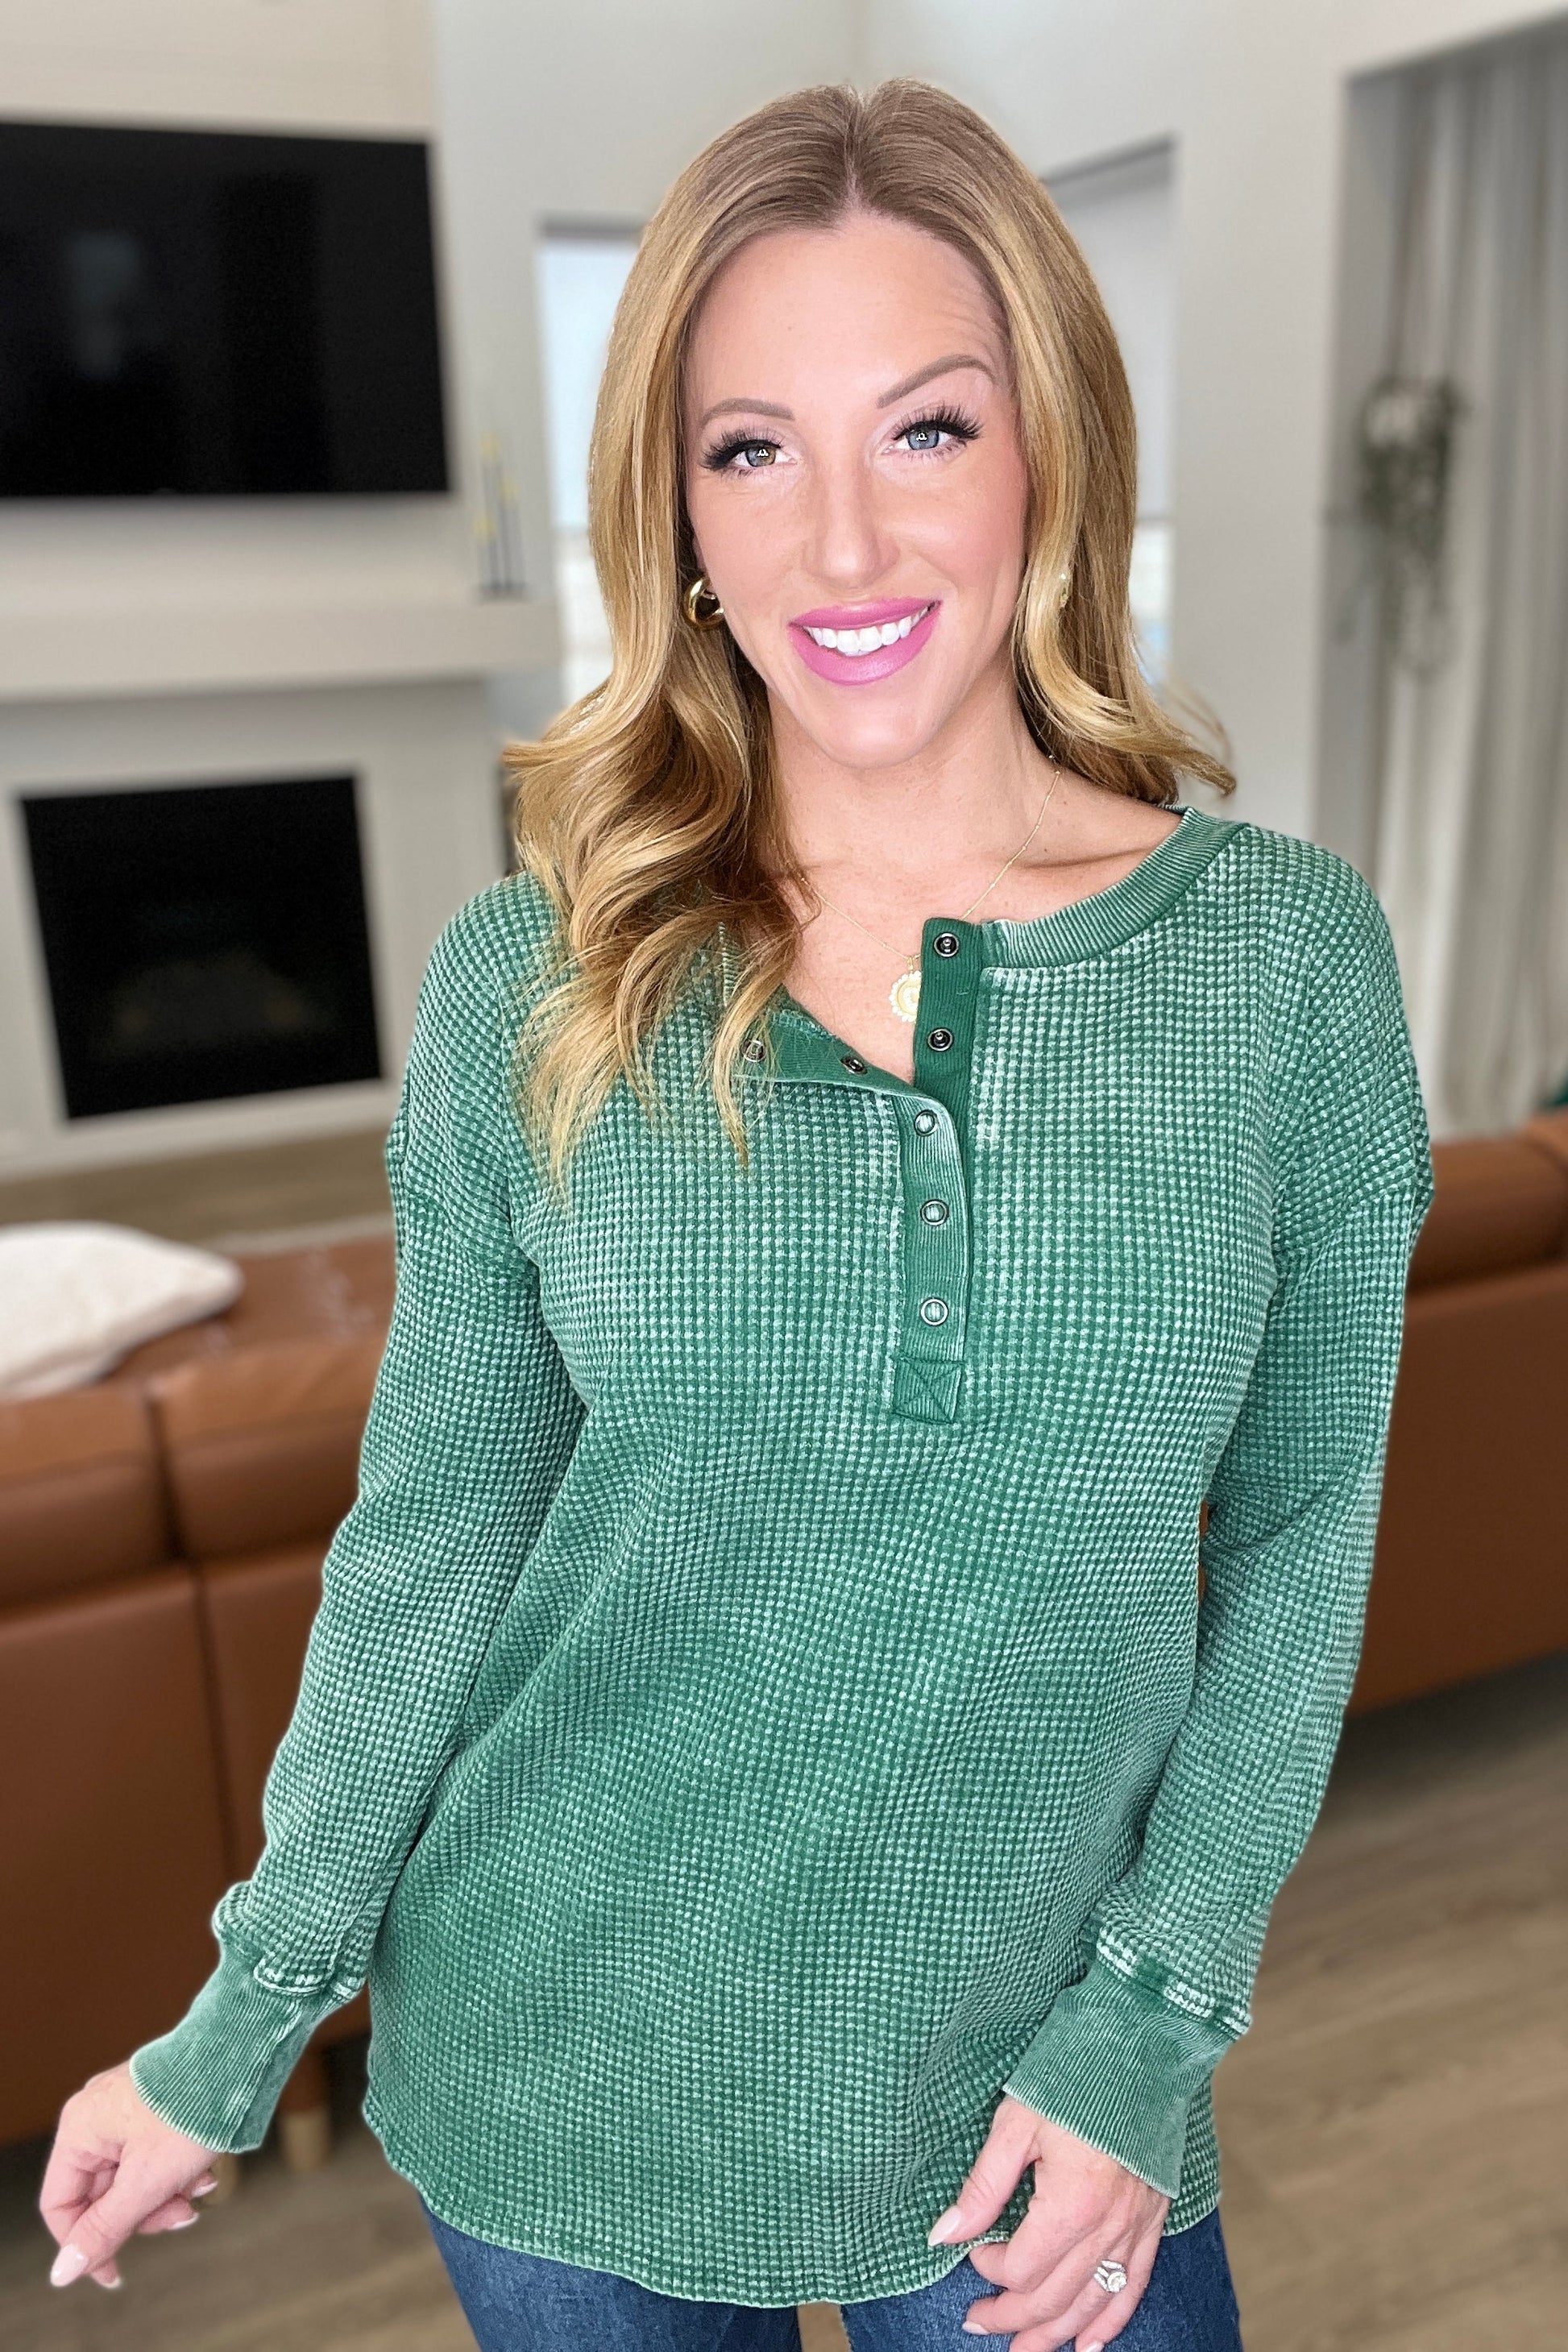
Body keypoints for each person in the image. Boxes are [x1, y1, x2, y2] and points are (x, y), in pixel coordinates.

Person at [39, 78, 1434, 2352]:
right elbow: (439, 1531)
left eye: (927, 429)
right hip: (554, 2059)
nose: (844, 546)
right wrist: (247, 2007)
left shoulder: (1280, 970)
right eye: (752, 449)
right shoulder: (536, 975)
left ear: (1051, 451)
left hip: (1034, 2096)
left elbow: (1298, 1535)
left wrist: (1153, 2018)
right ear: (676, 509)